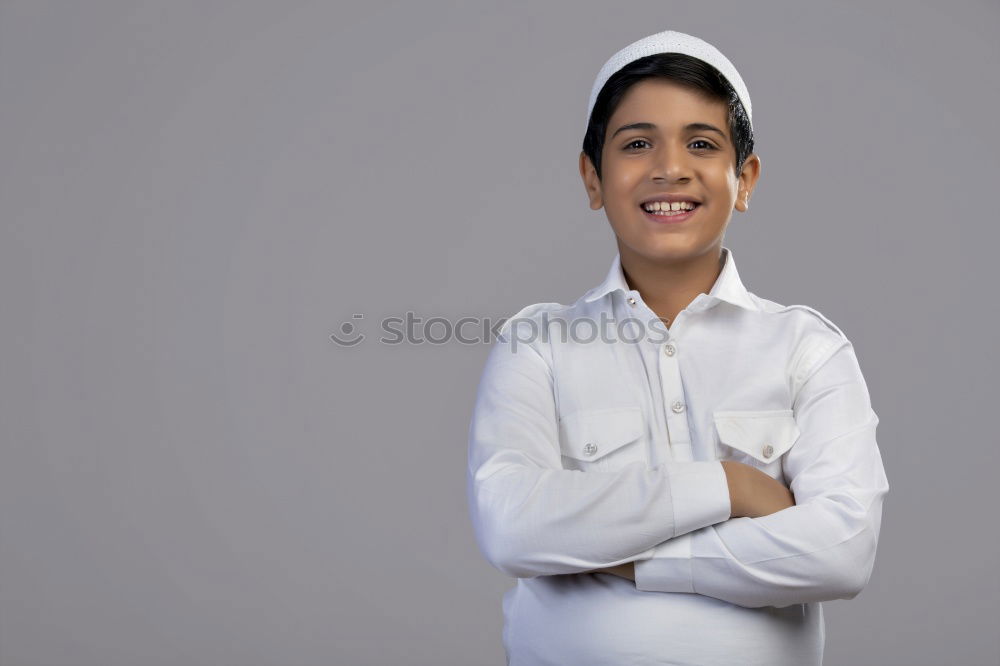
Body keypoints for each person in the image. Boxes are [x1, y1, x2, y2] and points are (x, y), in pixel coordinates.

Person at [466, 29, 889, 665]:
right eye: (637, 143)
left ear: (743, 178)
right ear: (593, 178)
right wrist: (733, 486)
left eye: (701, 143)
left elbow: (842, 552)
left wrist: (629, 559)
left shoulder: (808, 347)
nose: (670, 166)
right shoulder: (538, 343)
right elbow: (512, 526)